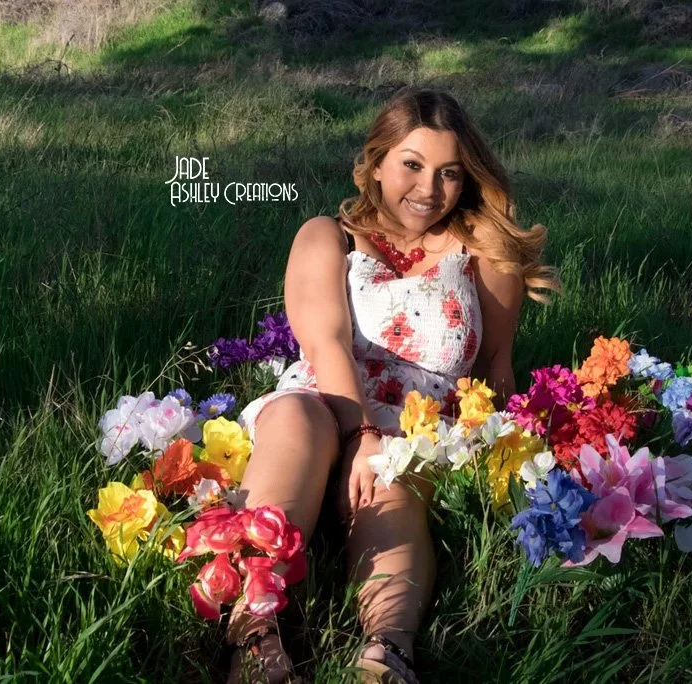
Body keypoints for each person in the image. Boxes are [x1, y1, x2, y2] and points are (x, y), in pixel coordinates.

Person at [225, 86, 561, 683]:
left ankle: (386, 653)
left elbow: (494, 367)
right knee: (300, 423)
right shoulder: (326, 236)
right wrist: (359, 431)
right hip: (327, 398)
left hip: (416, 424)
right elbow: (325, 340)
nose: (428, 189)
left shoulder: (484, 251)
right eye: (411, 164)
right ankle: (253, 633)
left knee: (396, 480)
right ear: (376, 163)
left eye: (449, 173)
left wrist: (510, 457)